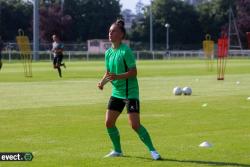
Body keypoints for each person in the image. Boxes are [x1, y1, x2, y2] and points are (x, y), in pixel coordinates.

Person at [97, 19, 161, 160]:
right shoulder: (108, 53)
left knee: (135, 125)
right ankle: (117, 150)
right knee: (109, 123)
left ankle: (153, 151)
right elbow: (109, 73)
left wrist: (117, 77)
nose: (110, 33)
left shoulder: (126, 51)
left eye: (113, 31)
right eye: (109, 31)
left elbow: (134, 72)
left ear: (121, 35)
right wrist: (102, 82)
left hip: (130, 92)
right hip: (117, 93)